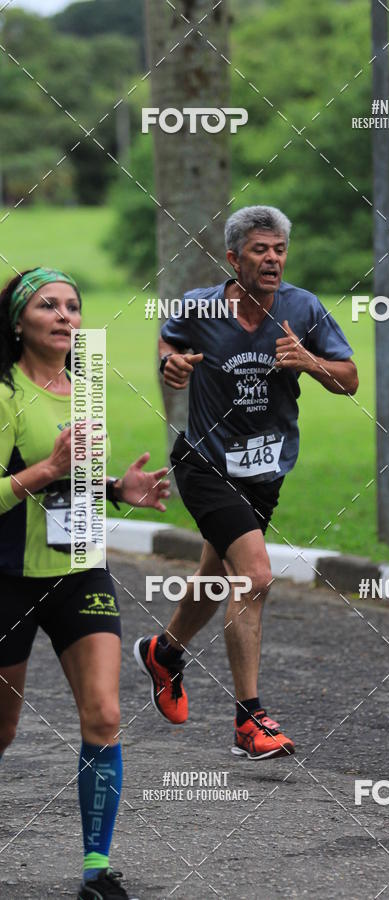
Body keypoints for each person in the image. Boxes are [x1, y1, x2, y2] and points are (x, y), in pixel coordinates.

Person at [134, 206, 358, 760]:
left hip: (264, 471)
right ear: (234, 259)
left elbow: (349, 380)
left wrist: (308, 361)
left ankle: (165, 652)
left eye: (279, 249)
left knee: (215, 575)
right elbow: (169, 343)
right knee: (254, 576)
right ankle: (248, 721)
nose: (273, 259)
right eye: (261, 250)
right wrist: (171, 366)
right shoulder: (200, 306)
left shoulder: (303, 308)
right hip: (205, 463)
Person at [0, 268, 170, 899]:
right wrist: (46, 469)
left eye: (73, 306)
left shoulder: (86, 388)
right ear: (19, 323)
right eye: (48, 306)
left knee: (104, 714)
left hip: (80, 571)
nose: (65, 316)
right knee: (2, 731)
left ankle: (97, 870)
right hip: (9, 578)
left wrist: (118, 490)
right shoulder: (4, 394)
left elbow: (76, 480)